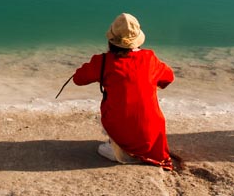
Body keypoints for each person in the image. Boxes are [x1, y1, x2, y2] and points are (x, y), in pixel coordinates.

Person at [71, 13, 174, 169]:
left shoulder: (103, 61)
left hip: (119, 122)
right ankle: (129, 146)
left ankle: (121, 147)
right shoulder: (150, 58)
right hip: (153, 132)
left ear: (111, 39)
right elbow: (169, 77)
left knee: (103, 144)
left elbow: (78, 79)